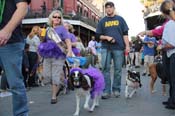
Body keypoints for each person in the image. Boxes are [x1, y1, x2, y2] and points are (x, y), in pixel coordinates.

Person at [0, 0, 30, 116]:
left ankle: (21, 114)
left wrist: (7, 30)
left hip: (10, 42)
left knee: (15, 84)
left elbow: (23, 7)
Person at [96, 1, 130, 99]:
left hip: (119, 48)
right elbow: (98, 36)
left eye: (110, 7)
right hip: (105, 48)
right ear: (105, 9)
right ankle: (106, 91)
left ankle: (116, 89)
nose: (108, 9)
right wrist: (106, 37)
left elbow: (125, 34)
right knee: (105, 69)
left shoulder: (120, 19)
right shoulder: (102, 21)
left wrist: (127, 46)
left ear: (113, 8)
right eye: (106, 7)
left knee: (118, 70)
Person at [38, 10, 72, 104]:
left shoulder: (62, 29)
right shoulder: (47, 29)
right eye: (55, 17)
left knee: (55, 75)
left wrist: (69, 50)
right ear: (51, 18)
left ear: (60, 19)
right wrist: (40, 35)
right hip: (48, 54)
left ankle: (54, 96)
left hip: (59, 55)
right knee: (46, 75)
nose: (57, 18)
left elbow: (68, 40)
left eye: (59, 17)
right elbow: (42, 41)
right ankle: (62, 84)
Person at [160, 0, 175, 109]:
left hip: (172, 53)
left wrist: (162, 47)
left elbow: (172, 44)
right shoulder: (170, 23)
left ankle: (173, 102)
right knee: (171, 78)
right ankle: (171, 99)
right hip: (170, 54)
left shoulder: (171, 24)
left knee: (173, 79)